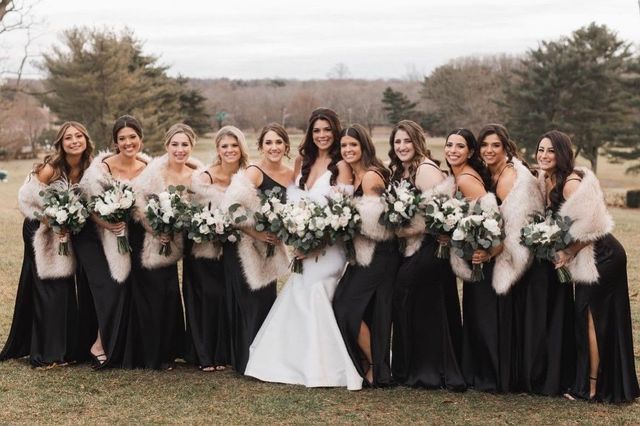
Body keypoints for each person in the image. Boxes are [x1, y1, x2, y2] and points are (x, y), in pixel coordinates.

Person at [244, 108, 362, 390]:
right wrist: (296, 237)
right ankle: (292, 362)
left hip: (330, 247)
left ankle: (328, 367)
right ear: (310, 133)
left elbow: (343, 214)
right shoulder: (301, 161)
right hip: (302, 245)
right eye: (317, 130)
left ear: (335, 132)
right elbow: (293, 204)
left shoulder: (342, 164)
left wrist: (317, 244)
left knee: (318, 290)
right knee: (299, 290)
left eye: (327, 130)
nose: (322, 135)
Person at [537, 130, 639, 403]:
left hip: (602, 256)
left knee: (591, 319)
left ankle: (592, 386)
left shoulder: (571, 182)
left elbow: (593, 228)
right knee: (588, 318)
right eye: (541, 150)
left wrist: (568, 251)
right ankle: (597, 381)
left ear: (563, 154)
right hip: (590, 255)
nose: (544, 155)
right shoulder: (549, 179)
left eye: (551, 150)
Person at [478, 124, 573, 395]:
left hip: (537, 259)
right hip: (529, 254)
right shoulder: (500, 173)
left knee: (539, 320)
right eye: (485, 145)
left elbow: (522, 226)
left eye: (495, 145)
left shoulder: (518, 179)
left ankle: (540, 377)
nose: (489, 150)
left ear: (507, 147)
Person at [0, 121, 93, 367]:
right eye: (68, 138)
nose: (74, 141)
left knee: (65, 288)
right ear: (61, 143)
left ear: (86, 139)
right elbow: (26, 201)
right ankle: (46, 354)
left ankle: (67, 349)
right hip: (39, 229)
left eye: (78, 136)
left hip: (67, 231)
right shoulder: (51, 168)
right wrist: (52, 221)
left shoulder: (89, 168)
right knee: (49, 289)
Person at [389, 121, 465, 390]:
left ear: (417, 142)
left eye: (407, 141)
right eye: (397, 142)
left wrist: (400, 230)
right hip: (414, 248)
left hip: (431, 250)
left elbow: (441, 216)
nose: (402, 146)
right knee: (413, 303)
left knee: (411, 297)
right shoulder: (404, 169)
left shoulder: (425, 169)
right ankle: (415, 368)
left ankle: (430, 370)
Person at [123, 123, 201, 370]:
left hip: (183, 241)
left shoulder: (196, 175)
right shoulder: (153, 172)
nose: (180, 149)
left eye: (185, 144)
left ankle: (172, 349)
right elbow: (136, 204)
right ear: (167, 146)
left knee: (170, 295)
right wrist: (156, 229)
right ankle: (151, 354)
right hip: (151, 242)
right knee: (156, 293)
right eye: (175, 144)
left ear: (192, 146)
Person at [76, 115, 150, 369]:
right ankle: (98, 343)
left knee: (134, 287)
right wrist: (109, 225)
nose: (128, 143)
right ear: (115, 142)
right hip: (98, 236)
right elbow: (89, 206)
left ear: (140, 139)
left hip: (133, 235)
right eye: (122, 139)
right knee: (111, 287)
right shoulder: (100, 169)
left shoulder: (148, 167)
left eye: (133, 137)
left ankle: (131, 346)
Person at [332, 124, 399, 387]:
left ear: (364, 147)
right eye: (344, 146)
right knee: (352, 307)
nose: (348, 150)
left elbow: (378, 225)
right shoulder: (355, 177)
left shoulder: (371, 177)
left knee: (345, 306)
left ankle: (376, 366)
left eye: (353, 145)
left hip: (379, 254)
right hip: (363, 254)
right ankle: (368, 361)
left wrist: (342, 221)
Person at [446, 128, 511, 393]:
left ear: (470, 152)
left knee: (483, 316)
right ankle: (476, 373)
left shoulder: (466, 180)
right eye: (449, 145)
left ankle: (490, 377)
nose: (452, 150)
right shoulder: (458, 175)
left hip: (482, 257)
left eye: (460, 146)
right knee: (475, 313)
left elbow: (493, 217)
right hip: (474, 255)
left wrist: (490, 251)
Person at [182, 126, 247, 373]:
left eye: (234, 145)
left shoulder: (246, 175)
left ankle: (224, 352)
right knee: (205, 297)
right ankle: (203, 354)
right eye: (224, 146)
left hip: (232, 248)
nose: (230, 150)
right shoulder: (204, 178)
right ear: (218, 150)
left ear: (241, 148)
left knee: (224, 297)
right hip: (202, 248)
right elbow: (190, 215)